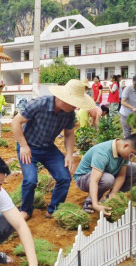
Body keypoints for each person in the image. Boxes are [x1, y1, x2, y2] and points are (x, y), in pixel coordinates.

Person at [12, 79, 96, 220]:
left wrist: (69, 154)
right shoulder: (39, 104)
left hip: (48, 148)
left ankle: (54, 210)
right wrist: (24, 146)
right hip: (29, 147)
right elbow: (16, 122)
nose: (76, 107)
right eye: (75, 103)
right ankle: (25, 210)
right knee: (31, 180)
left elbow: (69, 134)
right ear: (65, 99)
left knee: (64, 177)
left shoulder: (69, 114)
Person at [74, 134, 136, 216]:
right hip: (84, 178)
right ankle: (90, 202)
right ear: (126, 146)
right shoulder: (102, 153)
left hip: (107, 173)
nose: (132, 158)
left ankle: (112, 199)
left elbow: (121, 175)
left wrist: (113, 193)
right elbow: (94, 181)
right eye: (133, 154)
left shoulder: (125, 153)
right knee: (108, 179)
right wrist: (95, 204)